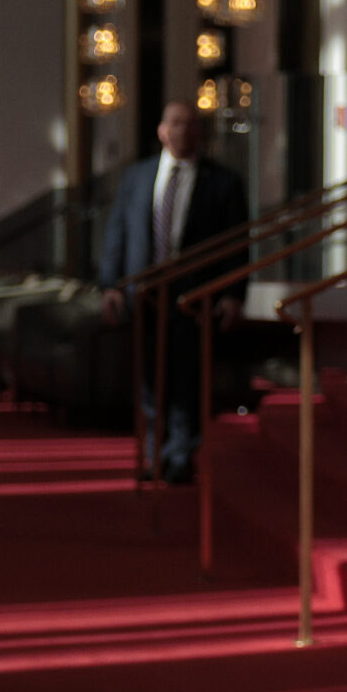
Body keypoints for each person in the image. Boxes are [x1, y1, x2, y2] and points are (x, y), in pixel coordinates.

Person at [97, 99, 252, 483]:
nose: (183, 130)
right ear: (162, 131)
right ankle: (154, 453)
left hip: (195, 299)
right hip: (144, 296)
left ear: (200, 132)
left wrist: (233, 294)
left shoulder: (223, 182)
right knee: (150, 379)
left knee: (188, 379)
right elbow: (118, 232)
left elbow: (237, 244)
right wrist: (110, 285)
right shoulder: (136, 177)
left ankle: (181, 455)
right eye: (176, 123)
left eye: (191, 124)